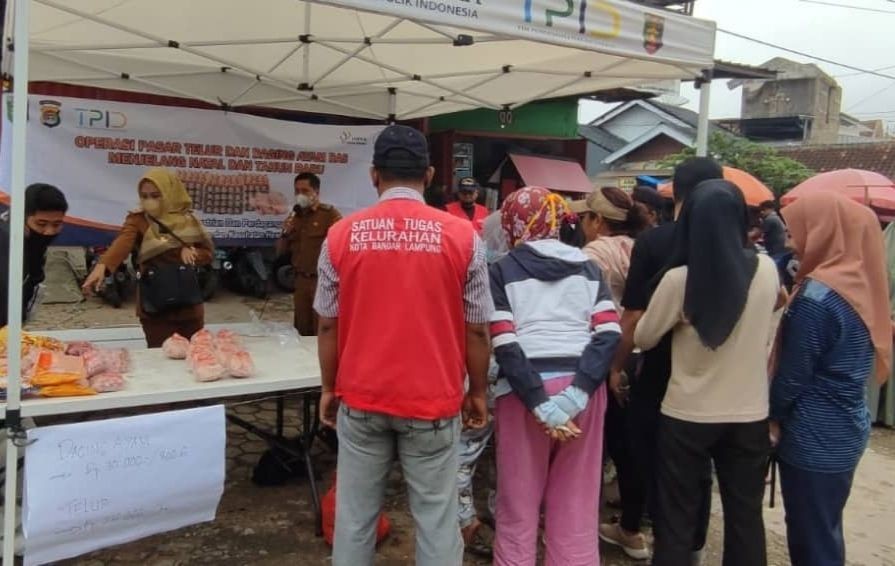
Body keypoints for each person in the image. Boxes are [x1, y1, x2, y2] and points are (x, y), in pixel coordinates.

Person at [314, 125, 492, 566]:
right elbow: (476, 330)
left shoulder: (340, 236)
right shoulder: (463, 237)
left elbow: (327, 326)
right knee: (436, 518)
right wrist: (478, 392)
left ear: (374, 175)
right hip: (433, 404)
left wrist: (328, 387)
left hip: (361, 399)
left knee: (355, 520)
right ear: (429, 175)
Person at [635, 180, 781, 566]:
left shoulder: (679, 280)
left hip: (687, 416)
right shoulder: (767, 271)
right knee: (745, 517)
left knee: (677, 519)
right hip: (749, 415)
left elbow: (645, 337)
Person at [490, 186, 620, 566]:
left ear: (514, 225)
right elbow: (609, 333)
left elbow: (505, 343)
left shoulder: (502, 270)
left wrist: (541, 405)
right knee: (577, 501)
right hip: (584, 389)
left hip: (522, 393)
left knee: (518, 500)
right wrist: (575, 397)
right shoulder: (589, 268)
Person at [607, 157, 724, 565]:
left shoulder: (656, 242)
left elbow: (635, 317)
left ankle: (642, 531)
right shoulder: (740, 249)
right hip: (715, 379)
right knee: (699, 469)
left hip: (658, 370)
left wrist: (616, 366)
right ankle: (691, 548)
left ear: (675, 190)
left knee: (646, 452)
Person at [772, 191, 891, 566]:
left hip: (813, 432)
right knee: (825, 527)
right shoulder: (861, 285)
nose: (791, 239)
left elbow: (793, 376)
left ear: (825, 231)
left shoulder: (817, 298)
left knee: (811, 535)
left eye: (798, 229)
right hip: (847, 425)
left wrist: (770, 414)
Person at [570, 187, 651, 559]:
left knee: (592, 445)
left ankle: (579, 524)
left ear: (597, 221)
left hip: (605, 354)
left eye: (585, 217)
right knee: (630, 446)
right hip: (639, 354)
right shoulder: (640, 247)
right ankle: (631, 528)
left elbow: (583, 311)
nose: (581, 223)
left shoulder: (593, 255)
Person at [82, 168, 214, 347]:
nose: (149, 201)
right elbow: (121, 244)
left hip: (187, 302)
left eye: (155, 195)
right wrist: (101, 267)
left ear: (170, 193)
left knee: (197, 353)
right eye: (144, 196)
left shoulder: (189, 221)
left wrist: (192, 254)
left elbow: (208, 254)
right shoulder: (138, 220)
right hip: (155, 301)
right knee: (160, 355)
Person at [277, 172, 341, 336]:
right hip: (300, 281)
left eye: (305, 191)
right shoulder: (295, 217)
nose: (300, 195)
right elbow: (280, 251)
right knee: (302, 328)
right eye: (297, 191)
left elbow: (340, 247)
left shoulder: (329, 215)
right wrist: (285, 233)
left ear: (316, 192)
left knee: (322, 328)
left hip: (322, 282)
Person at [0, 183, 68, 327]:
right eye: (41, 224)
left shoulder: (34, 244)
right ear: (22, 216)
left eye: (56, 225)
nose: (49, 231)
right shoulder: (5, 240)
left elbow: (33, 283)